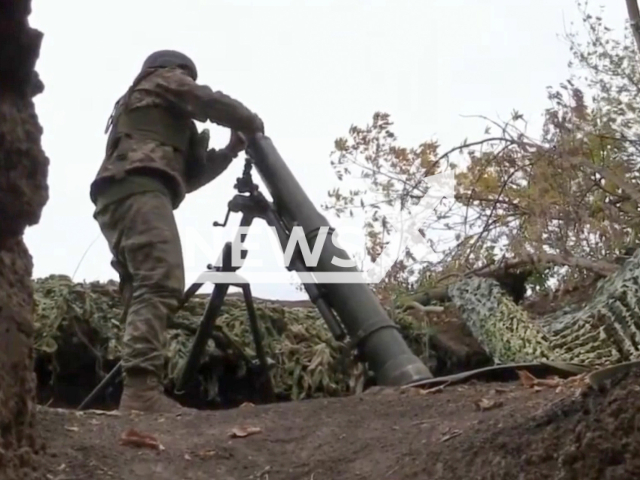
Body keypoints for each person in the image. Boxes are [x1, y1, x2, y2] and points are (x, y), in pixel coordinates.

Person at [89, 50, 264, 413]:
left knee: (141, 289)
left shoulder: (157, 116)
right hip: (139, 190)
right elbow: (207, 100)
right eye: (186, 75)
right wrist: (249, 121)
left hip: (123, 195)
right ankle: (140, 394)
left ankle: (137, 390)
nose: (186, 81)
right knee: (160, 283)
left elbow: (188, 178)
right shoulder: (160, 80)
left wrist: (231, 151)